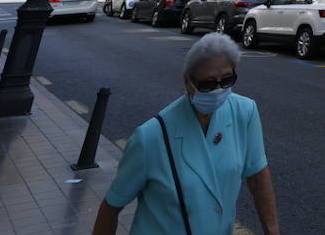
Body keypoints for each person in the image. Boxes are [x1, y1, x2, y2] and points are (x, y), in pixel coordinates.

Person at [92, 32, 279, 235]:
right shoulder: (150, 138)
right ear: (187, 82)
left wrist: (272, 231)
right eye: (207, 84)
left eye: (227, 80)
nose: (218, 91)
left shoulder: (244, 112)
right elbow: (112, 206)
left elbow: (257, 176)